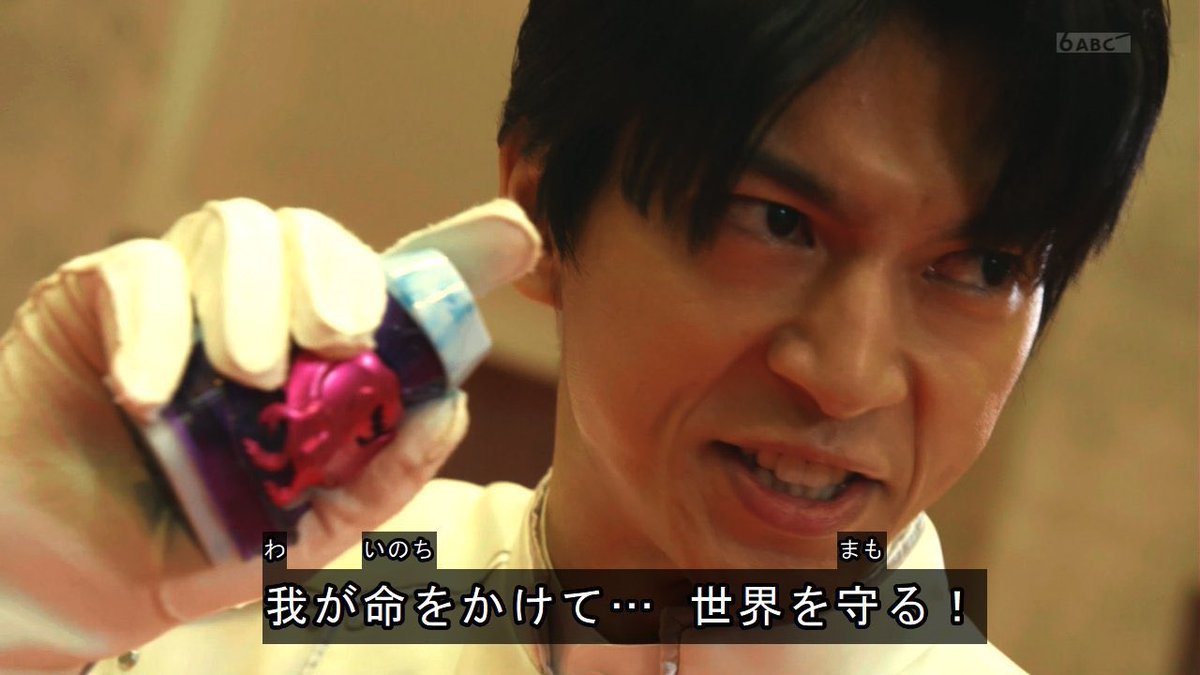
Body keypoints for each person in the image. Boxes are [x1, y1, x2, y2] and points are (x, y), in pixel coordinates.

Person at [0, 0, 1170, 673]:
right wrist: (26, 605)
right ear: (547, 211)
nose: (849, 375)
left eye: (982, 268)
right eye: (777, 222)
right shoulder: (280, 609)